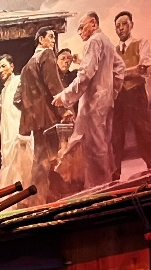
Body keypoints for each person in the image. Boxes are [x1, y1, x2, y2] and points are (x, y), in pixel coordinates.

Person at [54, 12, 125, 189]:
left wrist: (65, 96)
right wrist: (111, 93)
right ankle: (107, 184)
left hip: (93, 103)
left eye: (81, 27)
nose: (79, 32)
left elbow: (85, 75)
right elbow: (120, 68)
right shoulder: (106, 41)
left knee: (94, 147)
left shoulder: (93, 41)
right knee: (104, 144)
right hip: (105, 102)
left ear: (93, 23)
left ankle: (99, 187)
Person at [16, 27, 69, 202]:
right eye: (51, 37)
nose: (53, 40)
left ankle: (37, 199)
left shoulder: (26, 67)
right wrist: (64, 109)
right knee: (53, 158)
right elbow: (53, 84)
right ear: (41, 39)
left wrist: (32, 111)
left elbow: (17, 99)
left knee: (40, 160)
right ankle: (50, 198)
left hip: (36, 121)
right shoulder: (47, 55)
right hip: (48, 118)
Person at [112, 11, 151, 175]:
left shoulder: (140, 43)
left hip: (136, 93)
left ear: (131, 25)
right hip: (119, 96)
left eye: (124, 24)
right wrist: (134, 70)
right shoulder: (113, 51)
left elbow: (146, 62)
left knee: (144, 131)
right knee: (116, 136)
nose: (121, 28)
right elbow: (109, 73)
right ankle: (114, 176)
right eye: (118, 26)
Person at [0, 54, 33, 195]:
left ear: (12, 66)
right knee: (9, 163)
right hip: (8, 133)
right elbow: (0, 106)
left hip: (19, 131)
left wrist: (25, 130)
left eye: (4, 66)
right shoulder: (5, 90)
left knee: (21, 164)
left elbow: (27, 103)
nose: (1, 70)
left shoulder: (18, 81)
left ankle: (24, 195)